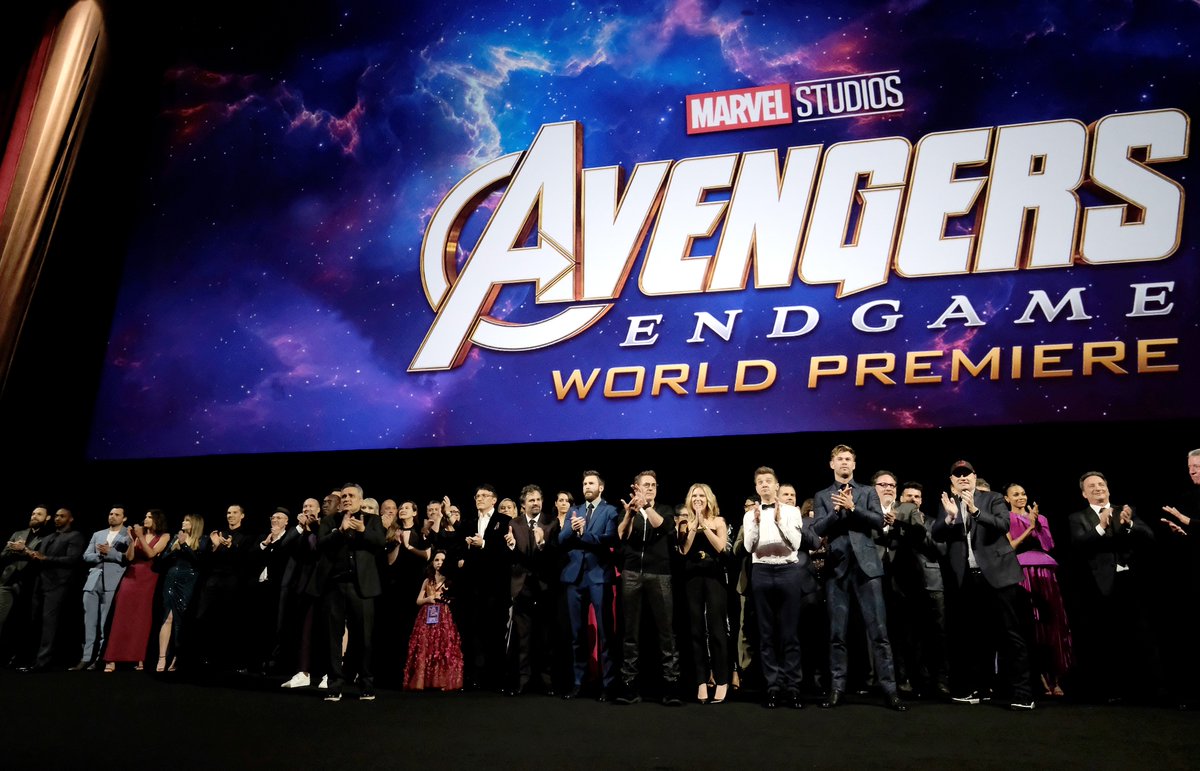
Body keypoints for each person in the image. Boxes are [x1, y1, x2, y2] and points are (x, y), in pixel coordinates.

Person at [932, 460, 1034, 710]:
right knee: (973, 636)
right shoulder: (949, 503)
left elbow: (1003, 525)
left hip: (998, 576)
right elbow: (936, 534)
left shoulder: (992, 498)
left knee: (1010, 634)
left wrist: (975, 511)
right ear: (952, 481)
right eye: (958, 475)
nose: (963, 478)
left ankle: (1023, 693)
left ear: (974, 477)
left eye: (966, 474)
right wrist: (949, 517)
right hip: (968, 578)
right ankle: (978, 688)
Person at [811, 446, 906, 711]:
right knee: (837, 634)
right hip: (836, 569)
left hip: (867, 568)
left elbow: (878, 520)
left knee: (879, 632)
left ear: (854, 465)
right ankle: (837, 689)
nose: (844, 462)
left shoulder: (866, 492)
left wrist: (852, 508)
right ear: (832, 464)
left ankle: (890, 691)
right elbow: (817, 529)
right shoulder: (822, 495)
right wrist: (836, 511)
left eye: (848, 459)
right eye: (839, 459)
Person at [1067, 471, 1156, 703]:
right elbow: (1078, 544)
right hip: (1100, 586)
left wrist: (1130, 524)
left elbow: (1149, 536)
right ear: (1084, 494)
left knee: (1138, 635)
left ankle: (1143, 690)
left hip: (1131, 582)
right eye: (1091, 486)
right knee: (1107, 638)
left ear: (1108, 488)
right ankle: (1110, 690)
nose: (1098, 488)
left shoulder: (1125, 510)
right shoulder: (1078, 517)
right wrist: (1100, 526)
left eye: (1101, 484)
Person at [744, 467, 820, 709]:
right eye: (760, 482)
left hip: (788, 571)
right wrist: (757, 524)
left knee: (790, 633)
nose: (765, 484)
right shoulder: (750, 514)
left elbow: (795, 544)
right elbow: (749, 547)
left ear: (776, 486)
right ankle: (773, 687)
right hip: (762, 570)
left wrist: (779, 522)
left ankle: (793, 687)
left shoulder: (791, 511)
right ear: (756, 487)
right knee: (766, 633)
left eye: (769, 481)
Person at [614, 470, 682, 706]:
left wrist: (646, 506)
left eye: (654, 485)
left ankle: (671, 686)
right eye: (646, 485)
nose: (651, 488)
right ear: (636, 487)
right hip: (632, 573)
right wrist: (630, 514)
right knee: (630, 632)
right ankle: (629, 686)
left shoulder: (664, 509)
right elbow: (622, 535)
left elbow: (663, 527)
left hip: (659, 573)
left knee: (666, 632)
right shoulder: (630, 509)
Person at [315, 482, 385, 701]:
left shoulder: (372, 520)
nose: (346, 499)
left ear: (360, 500)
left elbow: (380, 542)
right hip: (334, 586)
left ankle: (366, 683)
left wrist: (363, 531)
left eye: (351, 496)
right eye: (344, 496)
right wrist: (340, 531)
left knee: (364, 638)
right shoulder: (330, 521)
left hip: (361, 587)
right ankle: (335, 684)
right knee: (333, 638)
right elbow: (321, 544)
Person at [1005, 483, 1072, 698]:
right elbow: (1010, 547)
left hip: (1045, 572)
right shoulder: (1005, 518)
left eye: (1023, 493)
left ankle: (1056, 679)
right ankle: (1040, 679)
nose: (1021, 497)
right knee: (1031, 625)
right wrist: (1029, 528)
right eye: (1015, 494)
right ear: (1007, 499)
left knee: (1052, 624)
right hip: (1023, 572)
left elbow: (1048, 545)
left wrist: (1038, 525)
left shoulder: (1040, 518)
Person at [560, 470, 619, 700]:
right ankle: (579, 682)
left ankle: (608, 684)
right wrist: (573, 530)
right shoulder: (574, 510)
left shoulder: (610, 510)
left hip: (599, 576)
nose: (587, 486)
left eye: (591, 483)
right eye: (584, 483)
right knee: (577, 634)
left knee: (605, 633)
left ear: (600, 487)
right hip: (575, 578)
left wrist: (583, 534)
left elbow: (610, 538)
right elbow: (561, 539)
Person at [458, 484, 512, 691]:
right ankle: (475, 677)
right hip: (474, 587)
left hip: (496, 587)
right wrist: (466, 548)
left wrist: (484, 544)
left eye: (484, 495)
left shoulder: (504, 521)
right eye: (477, 496)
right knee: (474, 631)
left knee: (496, 631)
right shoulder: (469, 523)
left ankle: (496, 678)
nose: (479, 498)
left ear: (494, 500)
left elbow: (506, 553)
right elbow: (459, 550)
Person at [679, 482, 729, 704]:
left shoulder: (718, 521)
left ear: (709, 499)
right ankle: (701, 680)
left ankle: (721, 680)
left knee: (717, 629)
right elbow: (684, 550)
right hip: (692, 580)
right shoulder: (684, 523)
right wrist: (693, 525)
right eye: (694, 496)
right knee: (696, 630)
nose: (698, 499)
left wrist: (705, 526)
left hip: (714, 578)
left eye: (701, 495)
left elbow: (721, 547)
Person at [504, 484, 554, 696]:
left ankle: (546, 681)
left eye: (538, 499)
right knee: (523, 638)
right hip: (522, 587)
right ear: (523, 504)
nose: (536, 503)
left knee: (545, 638)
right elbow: (513, 558)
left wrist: (542, 544)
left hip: (544, 587)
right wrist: (512, 547)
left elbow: (554, 555)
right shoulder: (513, 524)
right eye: (531, 500)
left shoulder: (551, 522)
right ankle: (523, 681)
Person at [22, 507, 86, 671]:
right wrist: (27, 551)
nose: (58, 518)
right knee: (35, 621)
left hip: (58, 584)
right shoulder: (48, 537)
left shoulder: (75, 536)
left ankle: (43, 662)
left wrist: (46, 558)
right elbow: (39, 556)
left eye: (62, 516)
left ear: (70, 519)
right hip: (41, 583)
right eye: (56, 516)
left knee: (49, 623)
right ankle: (31, 659)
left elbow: (72, 559)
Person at [104, 509, 169, 671]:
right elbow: (130, 557)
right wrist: (133, 539)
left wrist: (140, 537)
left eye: (149, 517)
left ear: (157, 519)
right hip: (131, 576)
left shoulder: (165, 536)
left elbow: (151, 553)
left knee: (141, 618)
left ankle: (138, 657)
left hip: (148, 578)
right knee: (121, 616)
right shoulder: (137, 534)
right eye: (145, 516)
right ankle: (111, 658)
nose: (145, 519)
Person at [75, 506, 130, 670]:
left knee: (105, 624)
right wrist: (100, 554)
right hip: (93, 581)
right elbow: (86, 556)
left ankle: (101, 658)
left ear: (124, 518)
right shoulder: (98, 534)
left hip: (112, 582)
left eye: (117, 514)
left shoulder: (128, 534)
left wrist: (110, 552)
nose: (112, 516)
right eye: (111, 514)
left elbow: (128, 558)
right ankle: (86, 658)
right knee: (89, 622)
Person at [403, 550, 463, 691]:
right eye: (436, 560)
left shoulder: (449, 581)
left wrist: (444, 599)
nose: (439, 563)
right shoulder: (427, 581)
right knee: (425, 646)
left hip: (443, 618)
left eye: (442, 560)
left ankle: (441, 680)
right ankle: (424, 680)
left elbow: (455, 600)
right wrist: (428, 599)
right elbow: (418, 600)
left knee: (442, 647)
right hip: (427, 616)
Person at [156, 514, 208, 672]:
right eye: (183, 519)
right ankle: (162, 657)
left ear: (195, 524)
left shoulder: (203, 539)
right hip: (172, 578)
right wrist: (175, 547)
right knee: (167, 617)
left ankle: (177, 657)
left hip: (188, 580)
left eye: (187, 520)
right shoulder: (176, 537)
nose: (183, 522)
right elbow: (163, 559)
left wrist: (184, 545)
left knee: (181, 618)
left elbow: (198, 561)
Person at [1, 506, 52, 664]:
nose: (34, 516)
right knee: (1, 618)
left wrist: (24, 549)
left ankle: (16, 656)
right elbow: (3, 555)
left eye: (39, 514)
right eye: (33, 513)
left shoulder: (48, 537)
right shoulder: (18, 533)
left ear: (47, 518)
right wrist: (13, 550)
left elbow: (43, 558)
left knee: (20, 622)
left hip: (29, 583)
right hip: (8, 580)